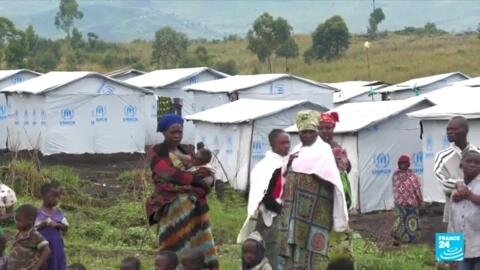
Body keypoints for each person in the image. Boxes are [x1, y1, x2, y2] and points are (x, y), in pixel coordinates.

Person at [145, 114, 218, 270]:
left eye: (180, 131)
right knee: (173, 244)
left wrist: (208, 180)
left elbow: (204, 172)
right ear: (163, 132)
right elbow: (169, 174)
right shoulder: (156, 152)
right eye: (173, 132)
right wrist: (197, 181)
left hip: (195, 208)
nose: (177, 135)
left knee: (199, 243)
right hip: (174, 208)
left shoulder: (186, 151)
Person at [278, 110, 349, 270]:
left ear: (316, 132)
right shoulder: (296, 150)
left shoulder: (323, 151)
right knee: (293, 257)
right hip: (293, 216)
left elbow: (333, 184)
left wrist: (315, 174)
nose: (307, 135)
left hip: (315, 217)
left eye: (311, 132)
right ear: (299, 133)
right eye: (304, 132)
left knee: (313, 257)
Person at [237, 129, 290, 269]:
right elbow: (264, 196)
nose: (286, 146)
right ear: (273, 144)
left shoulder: (285, 163)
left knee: (275, 251)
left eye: (288, 142)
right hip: (267, 216)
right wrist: (281, 210)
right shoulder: (267, 166)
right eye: (282, 143)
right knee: (267, 251)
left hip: (276, 215)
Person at [434, 116, 480, 229]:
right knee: (451, 244)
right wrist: (458, 184)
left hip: (477, 209)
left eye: (454, 129)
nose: (449, 132)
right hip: (454, 208)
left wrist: (465, 191)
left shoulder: (478, 153)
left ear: (465, 130)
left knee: (475, 243)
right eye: (448, 130)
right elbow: (443, 181)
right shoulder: (442, 156)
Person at [449, 150, 480, 270]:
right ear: (461, 164)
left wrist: (470, 195)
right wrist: (449, 255)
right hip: (462, 250)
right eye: (469, 161)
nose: (473, 164)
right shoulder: (455, 191)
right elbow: (452, 223)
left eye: (477, 162)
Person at [318, 111, 352, 209]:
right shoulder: (314, 146)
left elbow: (347, 169)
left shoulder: (337, 147)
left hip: (333, 189)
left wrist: (343, 163)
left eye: (328, 128)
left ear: (333, 128)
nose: (324, 131)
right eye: (321, 128)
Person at [35, 182, 68, 270]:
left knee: (56, 263)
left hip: (56, 246)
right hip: (41, 246)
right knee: (44, 264)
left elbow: (66, 227)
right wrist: (43, 224)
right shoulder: (37, 213)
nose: (56, 199)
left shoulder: (59, 212)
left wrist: (57, 225)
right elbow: (33, 228)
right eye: (53, 196)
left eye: (58, 197)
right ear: (43, 196)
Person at [8, 204, 50, 270]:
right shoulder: (18, 233)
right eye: (15, 219)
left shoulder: (35, 235)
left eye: (19, 220)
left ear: (30, 221)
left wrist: (37, 267)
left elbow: (46, 250)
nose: (16, 222)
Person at [392, 155, 423, 244]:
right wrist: (398, 200)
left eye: (405, 163)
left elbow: (417, 189)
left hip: (411, 203)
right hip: (399, 203)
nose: (403, 165)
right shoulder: (396, 176)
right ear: (399, 164)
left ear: (408, 164)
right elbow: (396, 189)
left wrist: (420, 200)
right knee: (400, 221)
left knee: (411, 220)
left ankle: (412, 239)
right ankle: (401, 238)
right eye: (401, 163)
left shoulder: (413, 176)